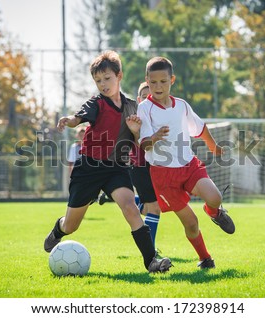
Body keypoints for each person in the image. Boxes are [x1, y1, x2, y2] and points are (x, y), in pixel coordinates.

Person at [44, 50, 172, 273]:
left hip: (116, 168)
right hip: (89, 168)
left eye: (107, 79)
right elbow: (79, 117)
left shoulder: (133, 107)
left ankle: (151, 261)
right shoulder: (96, 103)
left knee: (130, 207)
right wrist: (70, 121)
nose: (103, 84)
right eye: (98, 81)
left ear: (119, 76)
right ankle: (59, 229)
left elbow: (140, 142)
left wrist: (135, 131)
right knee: (71, 225)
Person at [137, 56, 235, 269]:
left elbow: (200, 127)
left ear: (172, 80)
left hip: (189, 165)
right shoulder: (145, 108)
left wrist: (214, 147)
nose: (158, 86)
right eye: (153, 82)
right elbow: (143, 144)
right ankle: (205, 258)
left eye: (163, 81)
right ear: (147, 80)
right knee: (191, 223)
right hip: (163, 176)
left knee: (215, 197)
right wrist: (154, 137)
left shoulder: (181, 105)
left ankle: (214, 212)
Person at [99, 82, 161, 250]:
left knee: (156, 205)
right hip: (139, 165)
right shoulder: (134, 117)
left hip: (156, 166)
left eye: (154, 96)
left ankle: (112, 196)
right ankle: (151, 251)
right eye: (146, 97)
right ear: (139, 99)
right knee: (154, 208)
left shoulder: (161, 114)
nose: (151, 99)